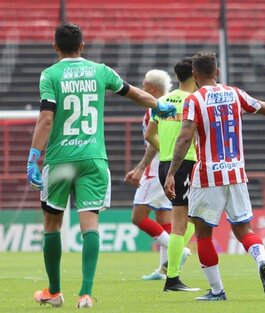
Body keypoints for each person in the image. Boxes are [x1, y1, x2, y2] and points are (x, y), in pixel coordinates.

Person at [26, 22, 176, 309]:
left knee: (52, 225)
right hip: (94, 159)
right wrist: (158, 106)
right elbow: (134, 93)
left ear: (55, 46)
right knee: (90, 224)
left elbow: (46, 118)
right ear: (82, 46)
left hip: (59, 159)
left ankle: (54, 292)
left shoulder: (50, 75)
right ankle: (85, 294)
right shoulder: (100, 71)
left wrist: (34, 156)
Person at [164, 51, 265, 301]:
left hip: (208, 176)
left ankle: (217, 291)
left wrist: (172, 173)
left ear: (195, 75)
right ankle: (262, 262)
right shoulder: (235, 94)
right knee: (244, 229)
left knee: (203, 234)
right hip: (237, 173)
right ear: (217, 72)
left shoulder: (194, 100)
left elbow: (185, 137)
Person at [124, 69, 190, 280]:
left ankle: (181, 251)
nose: (142, 89)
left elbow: (154, 141)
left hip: (157, 170)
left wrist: (141, 168)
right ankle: (164, 269)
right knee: (164, 217)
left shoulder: (157, 107)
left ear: (151, 88)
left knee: (138, 216)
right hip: (169, 167)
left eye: (144, 86)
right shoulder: (172, 104)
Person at [154, 57, 199, 292]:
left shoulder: (161, 101)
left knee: (192, 219)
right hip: (185, 163)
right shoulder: (193, 101)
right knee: (181, 224)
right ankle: (172, 276)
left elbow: (149, 134)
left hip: (165, 164)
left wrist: (166, 149)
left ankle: (172, 262)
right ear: (195, 74)